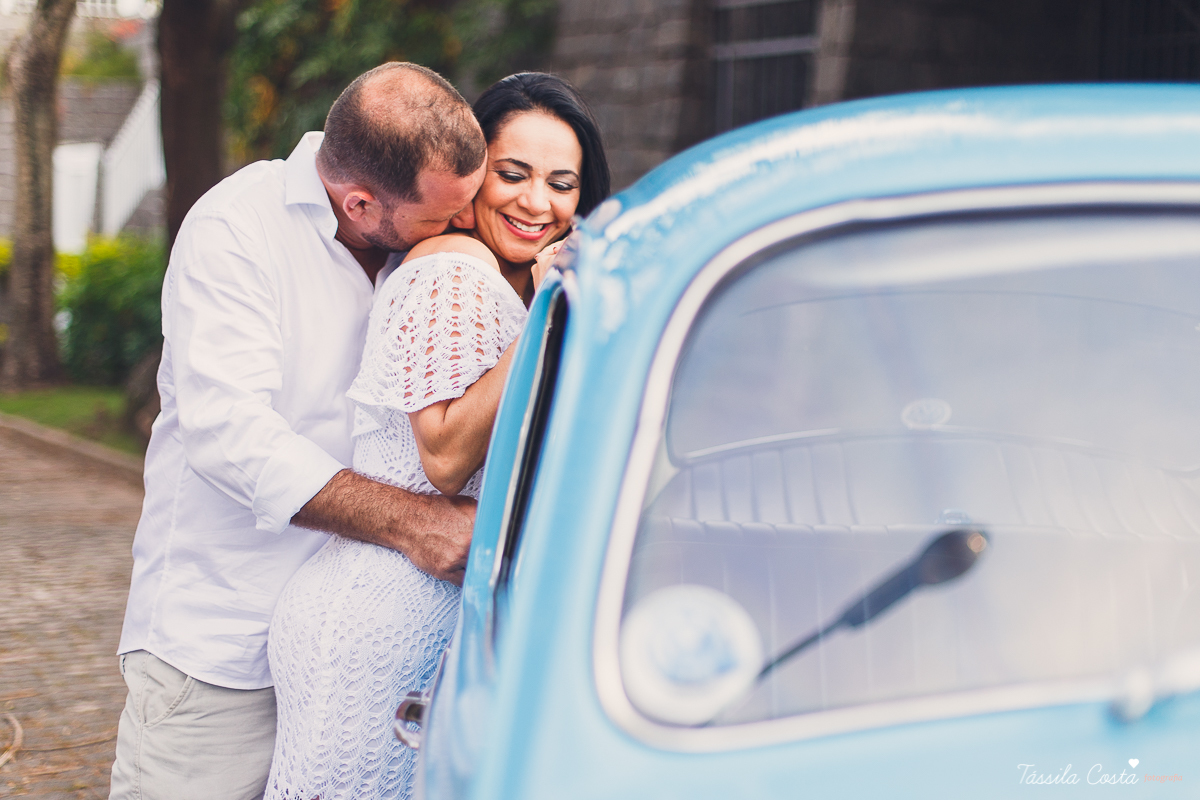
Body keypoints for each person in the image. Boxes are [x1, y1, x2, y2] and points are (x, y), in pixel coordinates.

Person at [109, 63, 496, 800]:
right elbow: (229, 434)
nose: (466, 225)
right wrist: (415, 524)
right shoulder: (235, 229)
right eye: (447, 215)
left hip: (350, 666)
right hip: (225, 653)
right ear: (359, 202)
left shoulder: (411, 250)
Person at [264, 72, 611, 800]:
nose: (536, 202)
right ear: (474, 176)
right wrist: (551, 307)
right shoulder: (454, 272)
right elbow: (447, 456)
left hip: (435, 626)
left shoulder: (510, 278)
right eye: (512, 174)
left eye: (563, 183)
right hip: (382, 625)